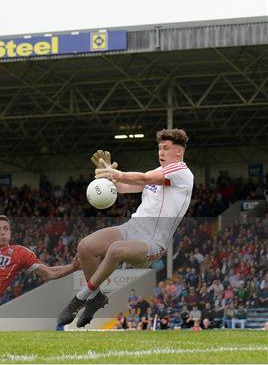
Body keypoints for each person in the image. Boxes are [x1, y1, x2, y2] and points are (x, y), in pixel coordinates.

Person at [58, 129, 194, 328]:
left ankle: (79, 299)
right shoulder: (157, 174)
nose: (161, 152)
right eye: (159, 148)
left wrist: (118, 173)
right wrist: (110, 178)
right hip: (132, 227)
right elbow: (124, 188)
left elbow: (144, 179)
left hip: (152, 242)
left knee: (116, 249)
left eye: (166, 148)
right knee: (85, 247)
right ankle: (96, 298)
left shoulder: (182, 173)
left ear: (178, 153)